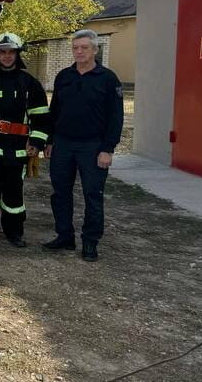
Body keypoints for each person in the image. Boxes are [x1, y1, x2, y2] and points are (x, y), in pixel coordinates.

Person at [44, 29, 124, 262]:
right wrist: (50, 140)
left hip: (93, 146)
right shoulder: (64, 76)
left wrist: (108, 149)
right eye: (75, 48)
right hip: (63, 144)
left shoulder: (108, 79)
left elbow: (116, 117)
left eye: (84, 48)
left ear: (95, 50)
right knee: (60, 193)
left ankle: (90, 242)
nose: (79, 51)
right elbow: (54, 111)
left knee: (92, 194)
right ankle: (64, 236)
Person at [0, 33, 50, 247]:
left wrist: (36, 142)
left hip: (18, 149)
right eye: (2, 52)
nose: (7, 56)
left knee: (14, 192)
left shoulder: (30, 83)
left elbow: (41, 117)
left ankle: (14, 232)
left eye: (11, 52)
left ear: (18, 54)